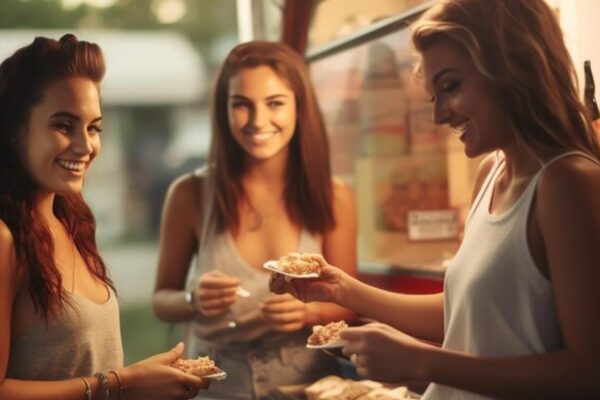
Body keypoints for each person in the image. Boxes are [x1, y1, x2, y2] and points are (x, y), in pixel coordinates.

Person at [270, 0, 600, 399]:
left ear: (512, 67)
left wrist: (423, 362)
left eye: (451, 86)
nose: (440, 116)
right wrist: (344, 290)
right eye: (434, 96)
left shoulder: (569, 184)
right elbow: (468, 311)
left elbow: (587, 372)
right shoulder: (493, 172)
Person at [0, 34, 208, 400]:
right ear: (15, 132)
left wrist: (141, 380)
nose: (86, 146)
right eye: (64, 126)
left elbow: (85, 368)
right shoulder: (5, 240)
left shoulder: (69, 219)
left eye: (94, 127)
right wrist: (119, 383)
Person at [152, 41, 357, 399]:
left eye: (275, 103)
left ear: (299, 107)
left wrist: (310, 314)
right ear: (223, 111)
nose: (258, 121)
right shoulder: (189, 194)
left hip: (309, 388)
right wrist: (192, 299)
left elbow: (351, 302)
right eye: (242, 105)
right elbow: (161, 301)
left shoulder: (335, 196)